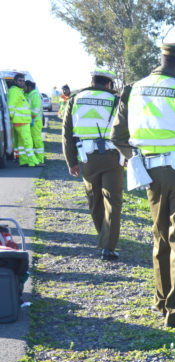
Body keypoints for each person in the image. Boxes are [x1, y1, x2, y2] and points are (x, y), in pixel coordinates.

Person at [110, 42, 175, 328]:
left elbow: (117, 136)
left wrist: (135, 159)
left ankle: (161, 301)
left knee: (160, 236)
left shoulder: (133, 89)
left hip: (149, 173)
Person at [62, 69, 123, 260]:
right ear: (108, 84)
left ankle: (103, 236)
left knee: (95, 200)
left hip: (87, 157)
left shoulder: (75, 99)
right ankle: (108, 246)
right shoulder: (117, 100)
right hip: (113, 157)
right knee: (113, 201)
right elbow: (125, 129)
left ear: (91, 81)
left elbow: (67, 133)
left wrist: (71, 161)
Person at [7, 73, 36, 167]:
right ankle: (33, 162)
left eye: (23, 80)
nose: (22, 82)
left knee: (21, 143)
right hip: (21, 121)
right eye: (20, 80)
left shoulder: (18, 91)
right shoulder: (14, 91)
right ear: (15, 81)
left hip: (22, 121)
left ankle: (23, 161)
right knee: (28, 142)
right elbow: (11, 106)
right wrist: (11, 117)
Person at [25, 79, 45, 164]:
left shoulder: (34, 95)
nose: (24, 88)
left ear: (29, 87)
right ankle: (36, 159)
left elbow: (35, 109)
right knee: (33, 141)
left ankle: (40, 159)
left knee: (37, 140)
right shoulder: (30, 94)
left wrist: (31, 118)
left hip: (35, 121)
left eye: (25, 87)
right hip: (33, 121)